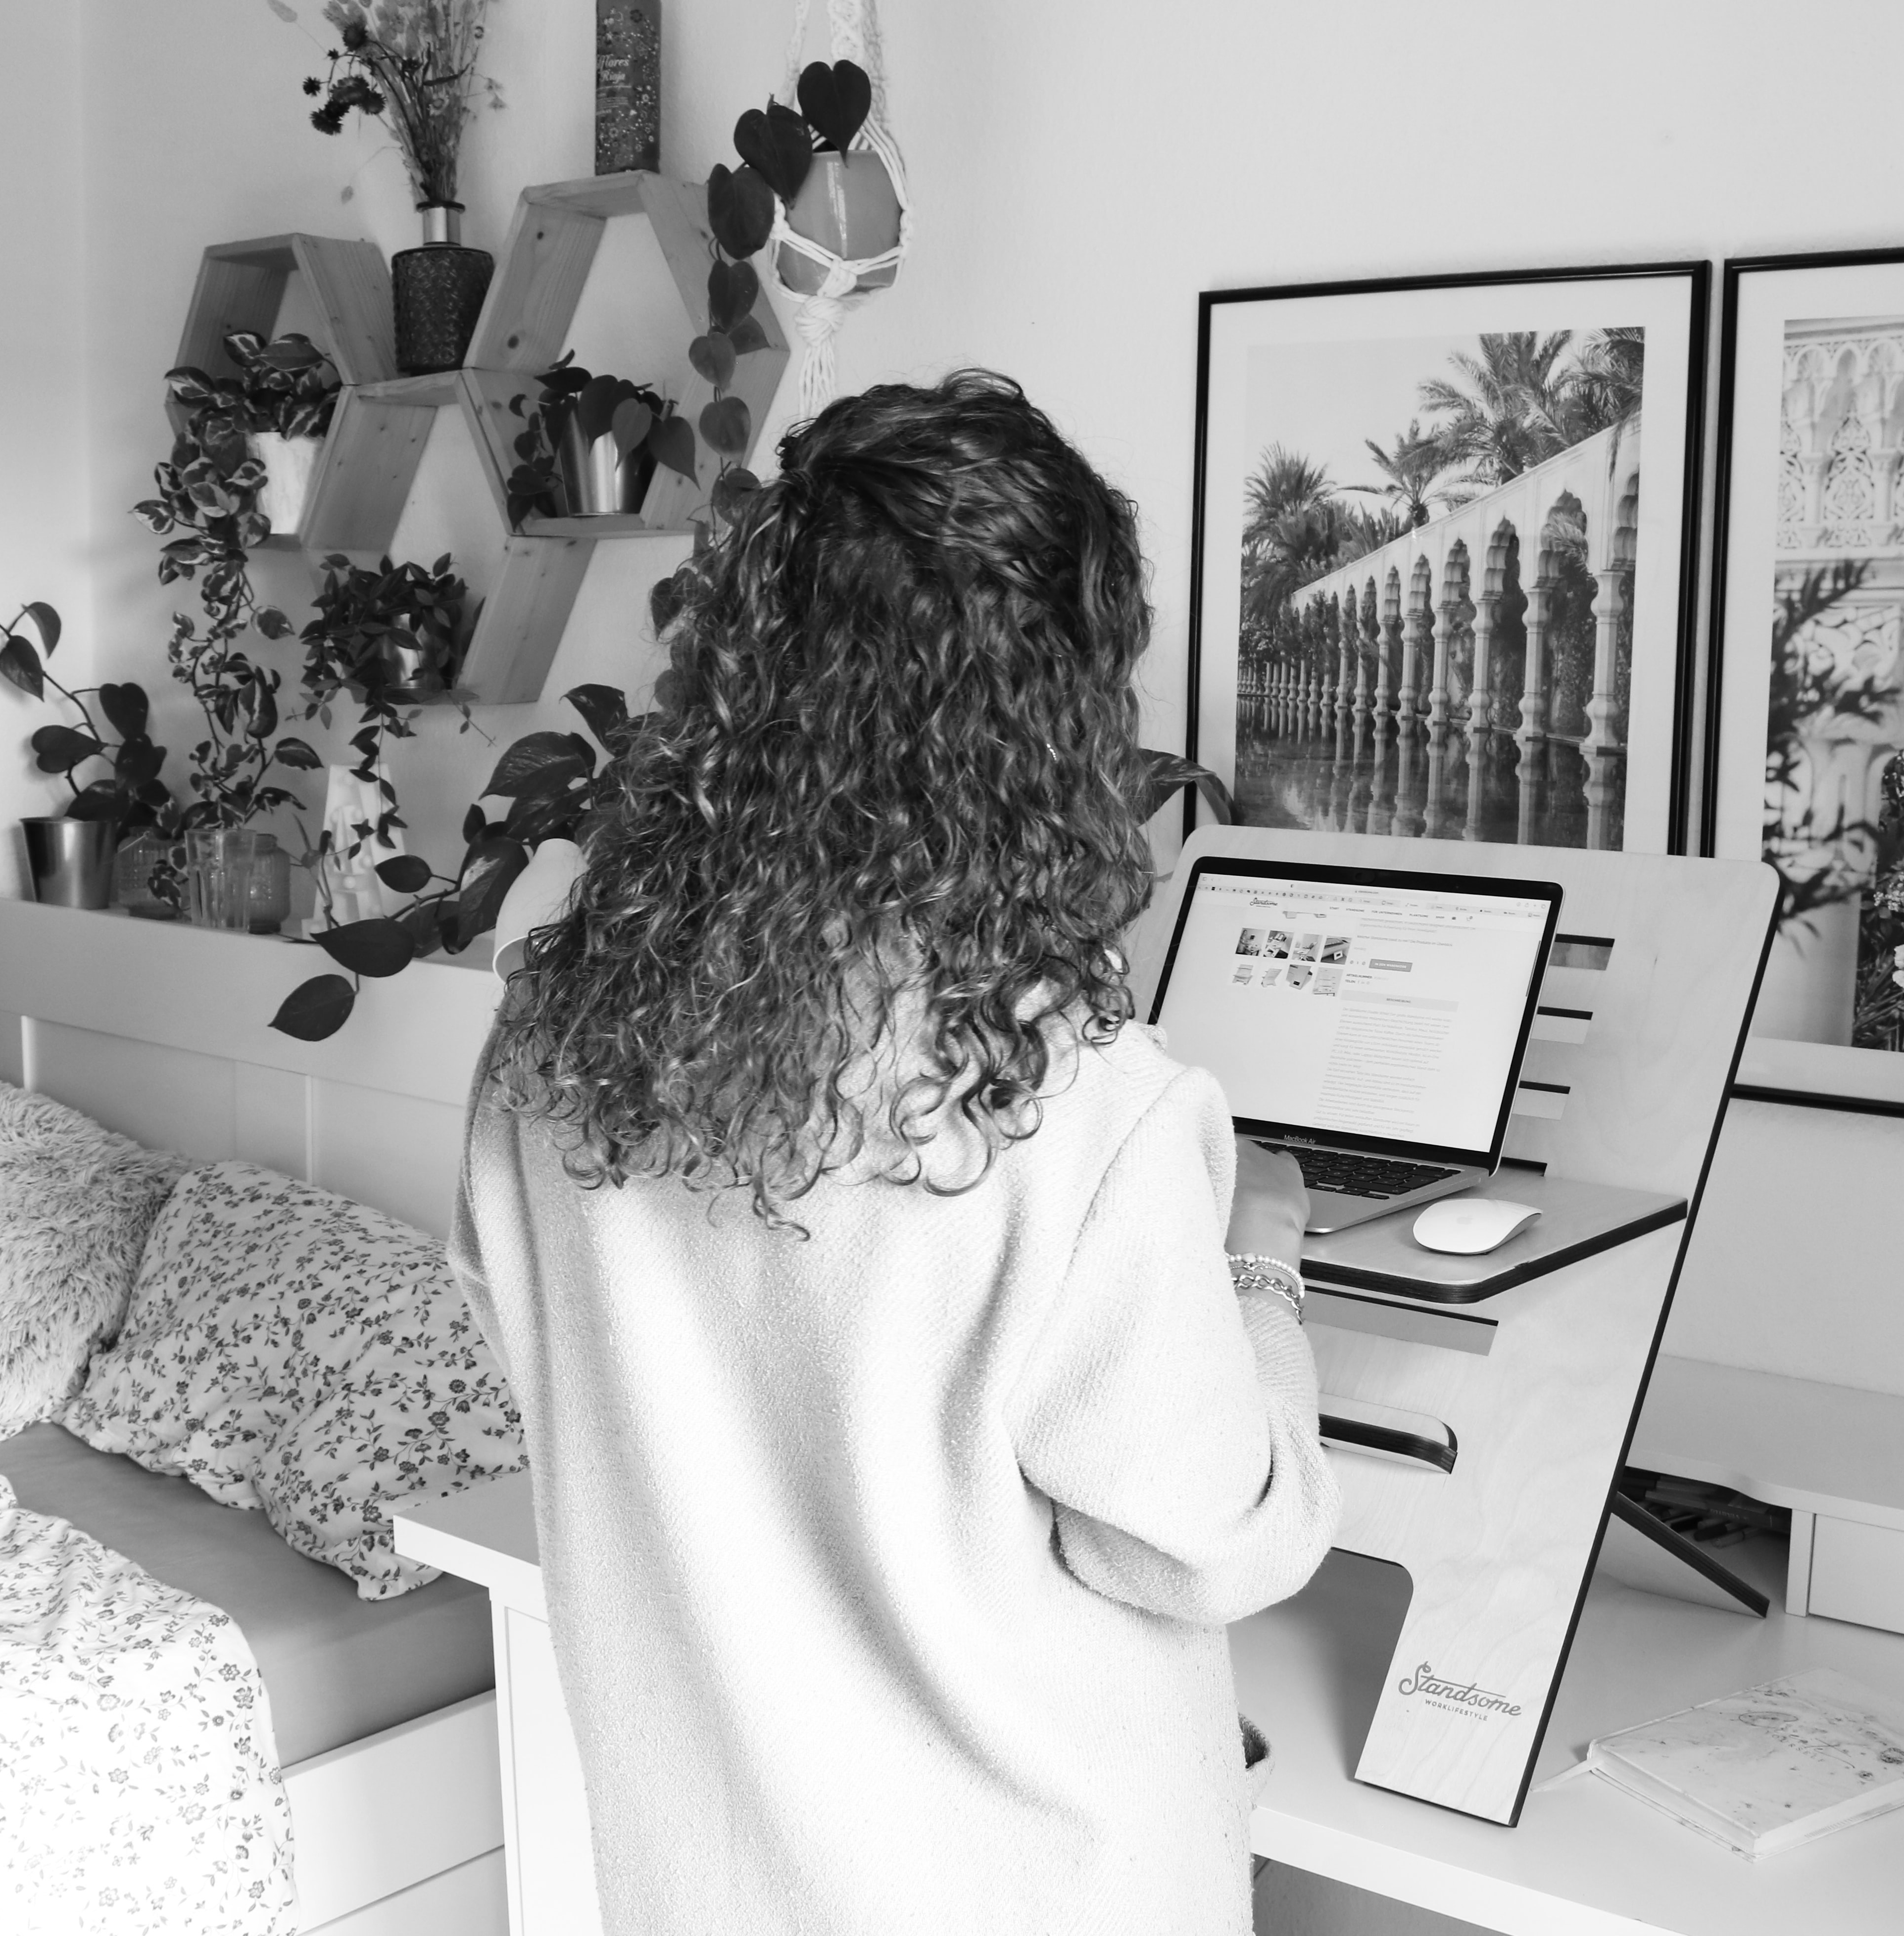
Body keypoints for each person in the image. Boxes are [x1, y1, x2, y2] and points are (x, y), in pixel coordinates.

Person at [454, 370, 1340, 1934]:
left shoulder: (558, 1035)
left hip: (708, 1878)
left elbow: (555, 1359)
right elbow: (1210, 1546)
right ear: (1051, 708)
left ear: (746, 665)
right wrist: (1259, 1262)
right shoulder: (1078, 1105)